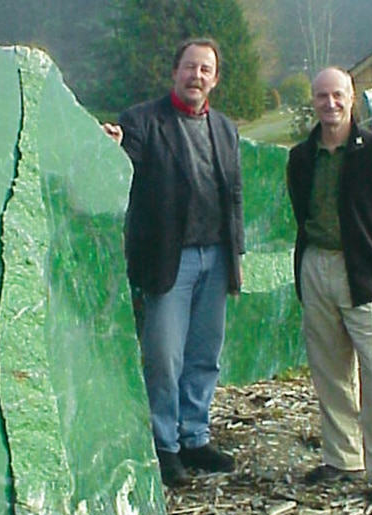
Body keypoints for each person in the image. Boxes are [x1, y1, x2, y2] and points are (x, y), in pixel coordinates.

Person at [102, 38, 245, 488]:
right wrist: (113, 148)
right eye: (189, 67)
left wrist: (235, 253)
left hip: (217, 256)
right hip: (169, 260)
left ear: (215, 79)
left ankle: (195, 437)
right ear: (174, 72)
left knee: (204, 356)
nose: (196, 76)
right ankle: (164, 446)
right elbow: (125, 172)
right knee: (164, 358)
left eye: (205, 69)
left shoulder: (225, 128)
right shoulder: (142, 122)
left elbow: (234, 195)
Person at [285, 66, 372, 504]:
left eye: (337, 94)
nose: (330, 103)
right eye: (322, 96)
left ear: (352, 97)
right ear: (314, 101)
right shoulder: (300, 157)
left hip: (364, 273)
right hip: (316, 266)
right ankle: (342, 458)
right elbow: (300, 211)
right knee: (329, 371)